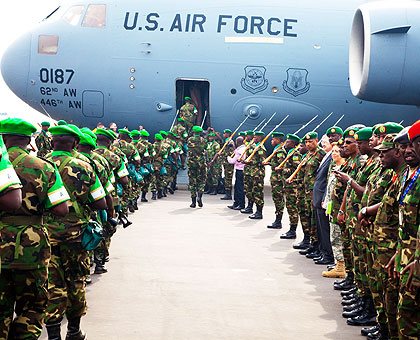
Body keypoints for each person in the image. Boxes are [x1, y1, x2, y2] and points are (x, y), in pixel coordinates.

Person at [0, 119, 69, 340]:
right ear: (29, 140)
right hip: (32, 248)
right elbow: (61, 210)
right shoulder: (44, 167)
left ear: (3, 139)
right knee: (31, 306)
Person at [44, 125, 107, 340]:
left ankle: (53, 335)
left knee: (51, 284)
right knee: (75, 281)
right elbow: (101, 202)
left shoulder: (40, 164)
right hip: (75, 234)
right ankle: (73, 331)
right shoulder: (85, 166)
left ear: (52, 142)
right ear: (75, 144)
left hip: (44, 236)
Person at [358, 134, 406, 339]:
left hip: (393, 245)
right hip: (380, 239)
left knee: (392, 294)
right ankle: (382, 324)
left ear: (397, 152)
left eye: (385, 152)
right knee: (381, 287)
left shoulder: (404, 176)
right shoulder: (396, 175)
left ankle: (386, 329)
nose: (381, 156)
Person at [322, 143, 346, 278]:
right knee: (334, 236)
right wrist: (327, 204)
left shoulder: (344, 169)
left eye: (337, 151)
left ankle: (341, 267)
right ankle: (338, 264)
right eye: (333, 151)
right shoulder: (334, 167)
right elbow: (330, 190)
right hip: (333, 207)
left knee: (338, 237)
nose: (334, 153)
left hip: (339, 209)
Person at [312, 133, 333, 265]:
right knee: (320, 228)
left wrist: (324, 198)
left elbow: (327, 180)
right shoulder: (327, 155)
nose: (323, 143)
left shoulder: (332, 156)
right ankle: (322, 251)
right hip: (318, 197)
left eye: (326, 141)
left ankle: (328, 255)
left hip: (322, 198)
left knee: (325, 229)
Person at [279, 134, 302, 239]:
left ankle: (293, 230)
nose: (286, 143)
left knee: (292, 207)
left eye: (289, 142)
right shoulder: (289, 153)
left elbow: (298, 169)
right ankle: (291, 229)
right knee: (289, 206)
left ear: (294, 144)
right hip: (288, 185)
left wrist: (283, 170)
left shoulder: (296, 154)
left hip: (293, 186)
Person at [243, 131, 267, 219]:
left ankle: (259, 212)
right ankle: (250, 207)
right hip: (249, 172)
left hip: (257, 174)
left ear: (260, 138)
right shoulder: (252, 146)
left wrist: (250, 162)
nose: (254, 138)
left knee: (258, 192)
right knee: (249, 190)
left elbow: (263, 162)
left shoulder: (261, 149)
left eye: (256, 137)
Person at [265, 132, 286, 228]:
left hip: (278, 180)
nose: (272, 141)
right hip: (275, 179)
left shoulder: (280, 152)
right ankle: (277, 220)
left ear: (278, 140)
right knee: (276, 199)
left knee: (278, 200)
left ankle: (278, 221)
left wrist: (271, 164)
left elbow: (281, 166)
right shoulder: (276, 150)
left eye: (273, 139)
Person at [187, 126, 207, 208]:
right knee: (201, 181)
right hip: (201, 163)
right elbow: (205, 149)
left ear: (193, 131)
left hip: (192, 163)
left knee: (192, 183)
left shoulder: (190, 140)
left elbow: (188, 147)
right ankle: (199, 197)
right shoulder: (203, 140)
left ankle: (193, 202)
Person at [227, 136, 246, 210]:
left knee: (239, 188)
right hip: (241, 169)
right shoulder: (243, 149)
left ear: (237, 142)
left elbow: (232, 161)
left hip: (240, 170)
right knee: (237, 187)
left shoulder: (240, 150)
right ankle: (236, 203)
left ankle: (241, 204)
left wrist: (228, 157)